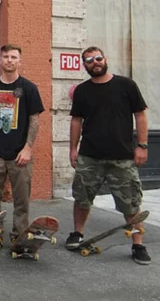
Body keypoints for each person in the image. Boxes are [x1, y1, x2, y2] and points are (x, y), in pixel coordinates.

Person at [66, 46, 150, 265]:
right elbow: (76, 120)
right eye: (89, 60)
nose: (95, 62)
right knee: (82, 198)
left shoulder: (126, 85)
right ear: (84, 66)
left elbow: (140, 114)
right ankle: (78, 233)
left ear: (105, 59)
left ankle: (138, 244)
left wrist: (142, 145)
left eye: (98, 58)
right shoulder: (82, 91)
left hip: (122, 156)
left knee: (131, 203)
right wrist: (73, 149)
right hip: (89, 156)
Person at [0, 44, 44, 252]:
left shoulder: (29, 88)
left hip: (19, 153)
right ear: (0, 60)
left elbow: (35, 120)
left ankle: (19, 237)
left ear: (19, 61)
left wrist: (28, 148)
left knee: (21, 200)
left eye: (14, 57)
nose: (9, 60)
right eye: (6, 56)